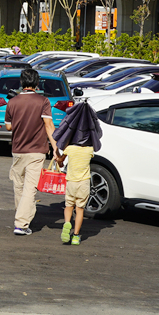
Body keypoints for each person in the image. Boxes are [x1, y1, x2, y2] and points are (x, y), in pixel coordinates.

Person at [5, 68, 59, 235]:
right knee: (30, 188)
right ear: (37, 83)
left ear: (22, 83)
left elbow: (8, 126)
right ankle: (21, 224)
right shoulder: (43, 101)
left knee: (19, 186)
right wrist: (56, 149)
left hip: (18, 150)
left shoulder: (12, 102)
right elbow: (49, 126)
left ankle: (21, 218)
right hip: (36, 151)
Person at [53, 101, 103, 245]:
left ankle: (67, 223)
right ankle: (76, 235)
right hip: (84, 183)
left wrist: (59, 160)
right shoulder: (89, 150)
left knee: (69, 206)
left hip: (71, 182)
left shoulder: (70, 149)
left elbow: (61, 162)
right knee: (79, 209)